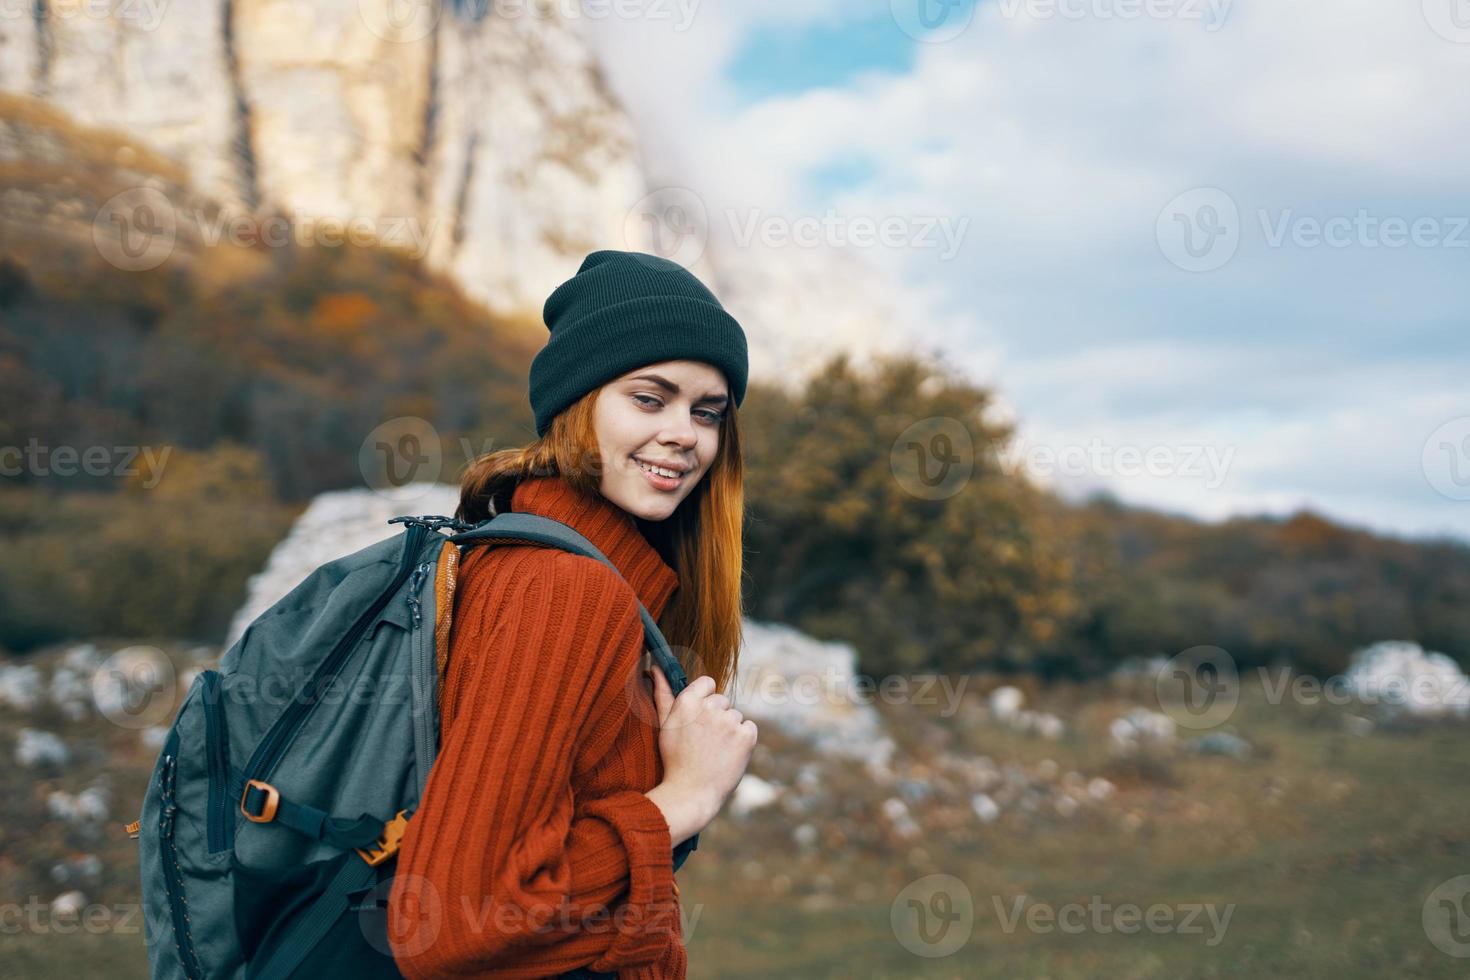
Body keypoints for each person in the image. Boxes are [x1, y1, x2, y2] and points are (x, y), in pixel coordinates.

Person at [386, 250, 759, 979]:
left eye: (706, 412)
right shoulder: (565, 591)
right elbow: (453, 924)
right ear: (576, 404)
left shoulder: (546, 565)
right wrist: (684, 798)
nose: (686, 433)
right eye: (649, 399)